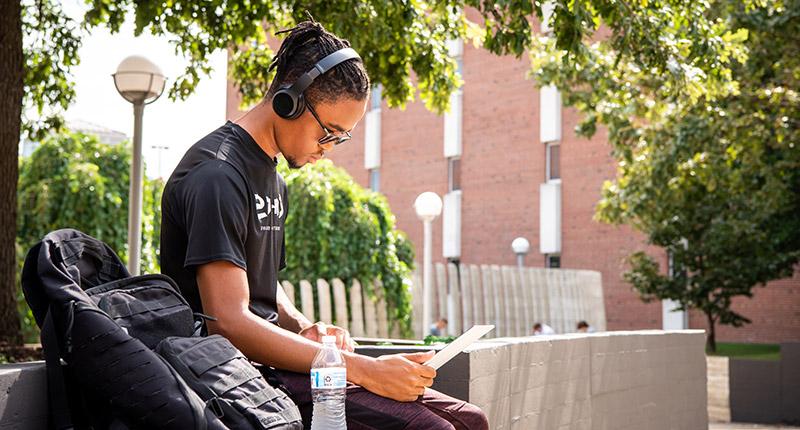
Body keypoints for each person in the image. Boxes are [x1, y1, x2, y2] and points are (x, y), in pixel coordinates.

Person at [160, 19, 488, 430]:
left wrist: (303, 326)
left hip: (278, 367)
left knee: (470, 419)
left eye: (340, 139)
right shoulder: (217, 175)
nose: (326, 150)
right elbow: (229, 319)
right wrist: (362, 369)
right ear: (288, 102)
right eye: (328, 134)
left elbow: (258, 282)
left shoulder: (272, 176)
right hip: (235, 376)